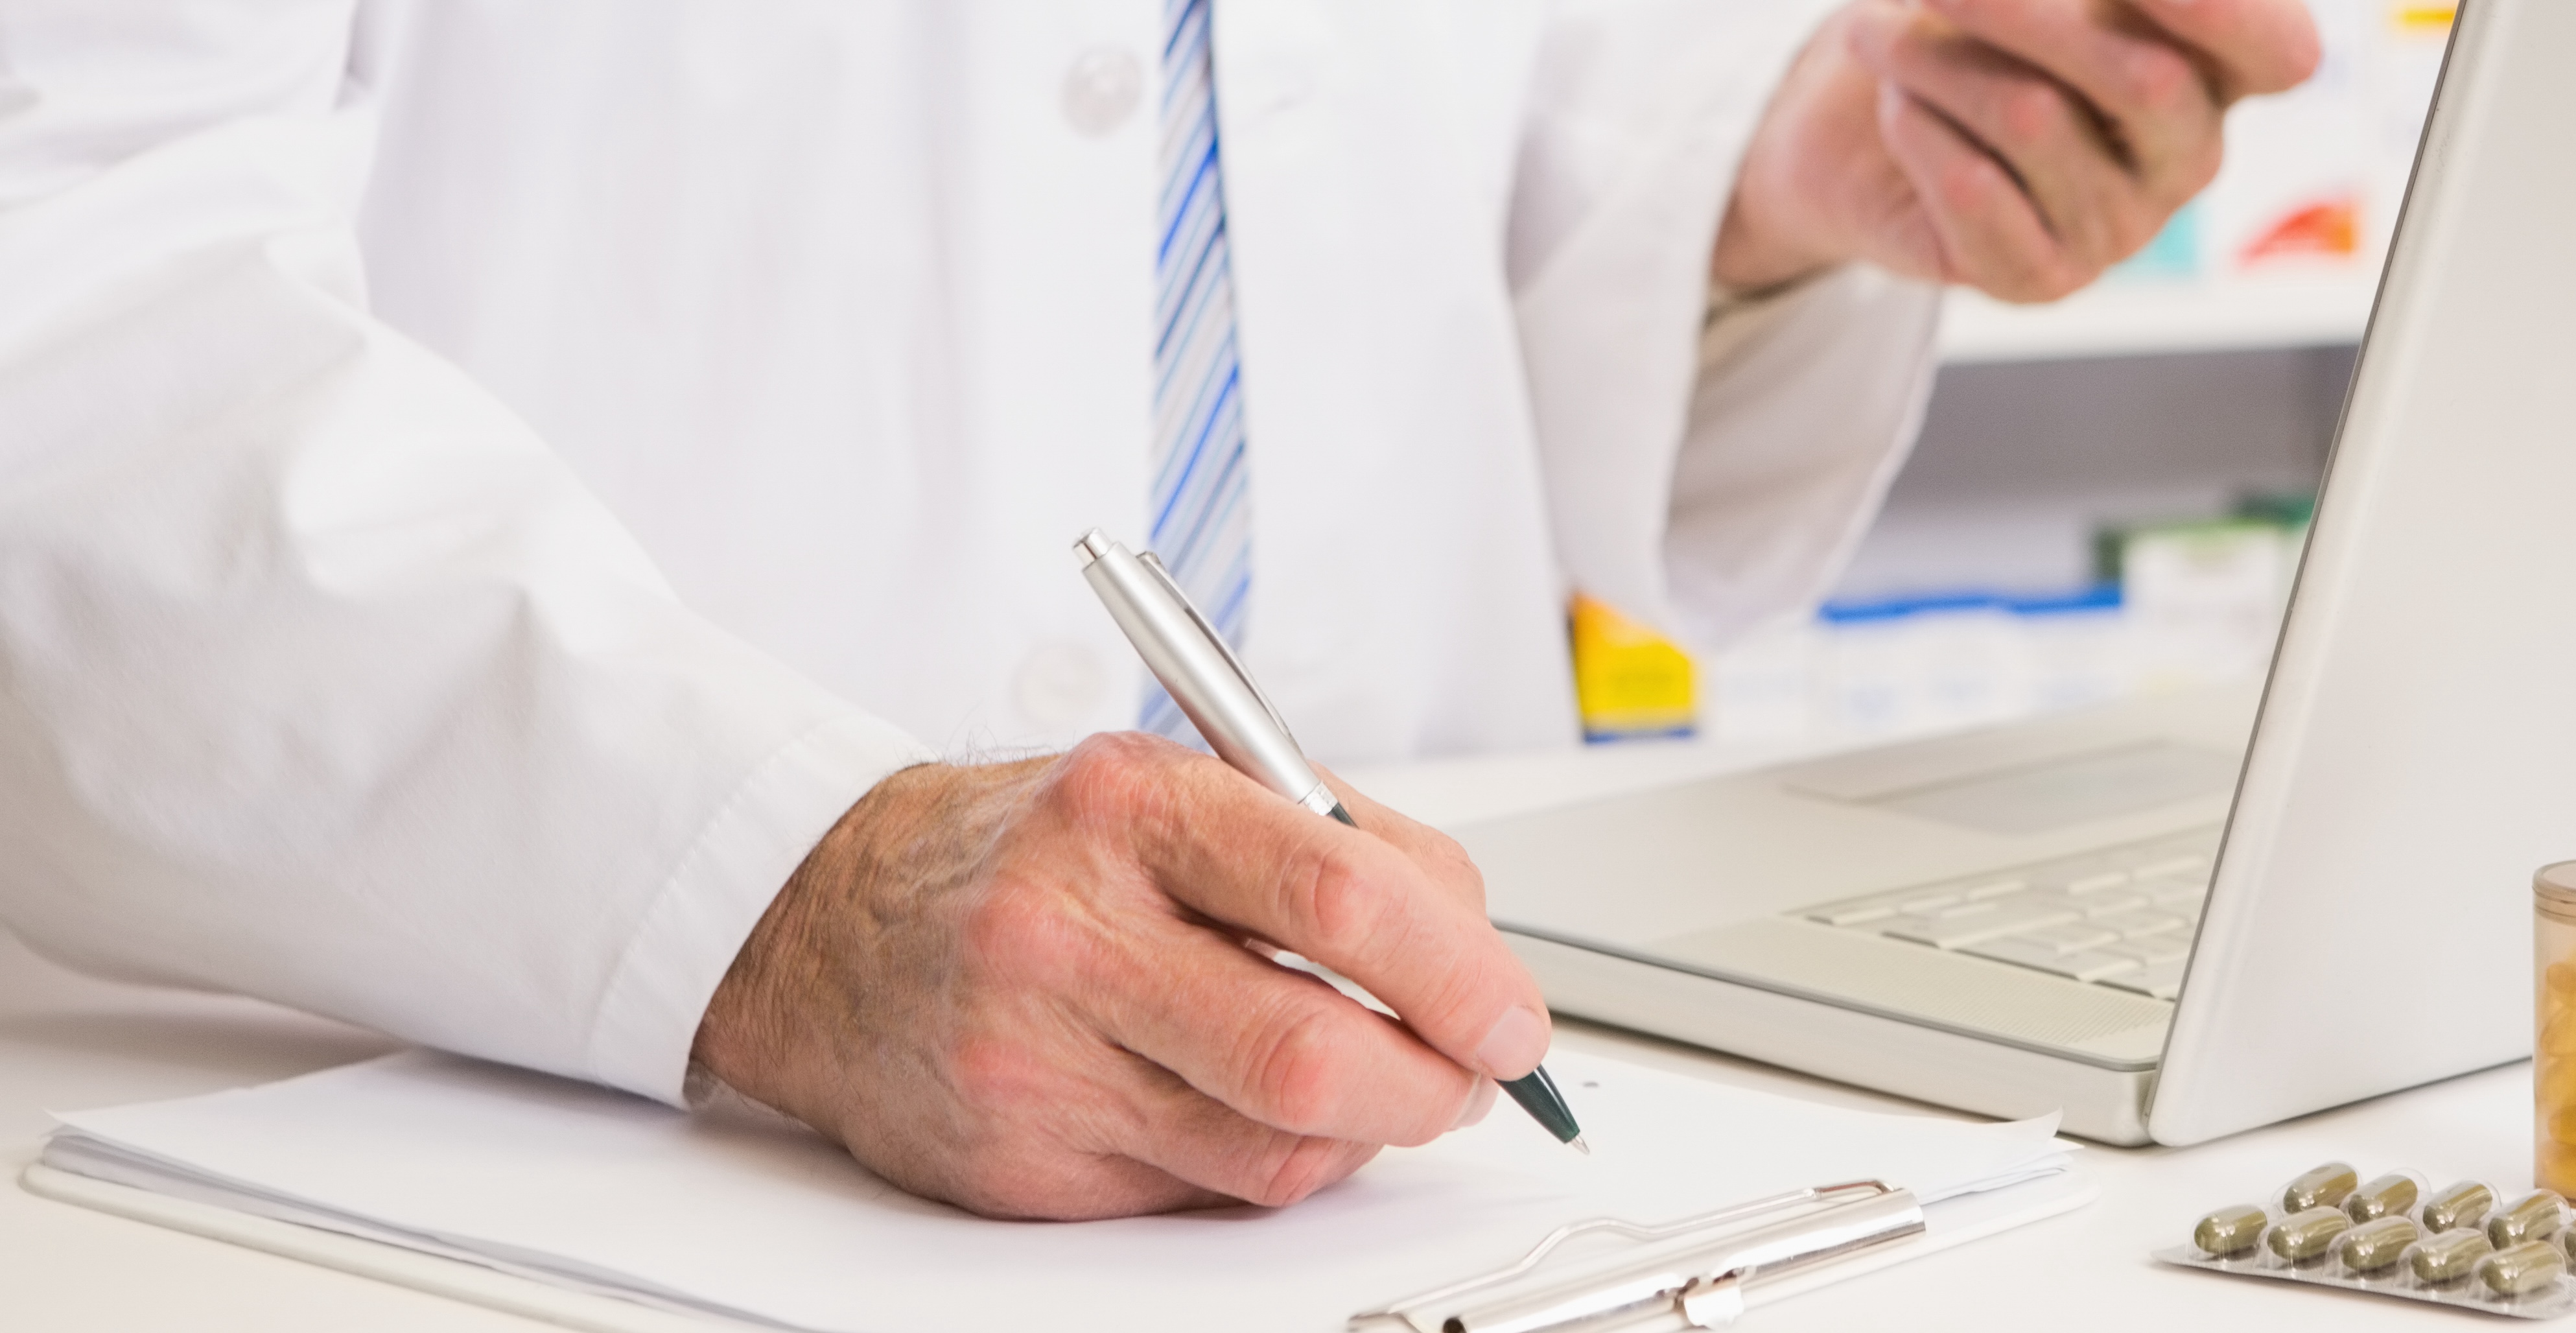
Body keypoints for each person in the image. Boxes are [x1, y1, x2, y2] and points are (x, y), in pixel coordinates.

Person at [0, 0, 2317, 1220]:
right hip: (463, 1099)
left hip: (1404, 1130)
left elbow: (1411, 79)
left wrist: (1767, 167)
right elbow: (63, 258)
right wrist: (778, 892)